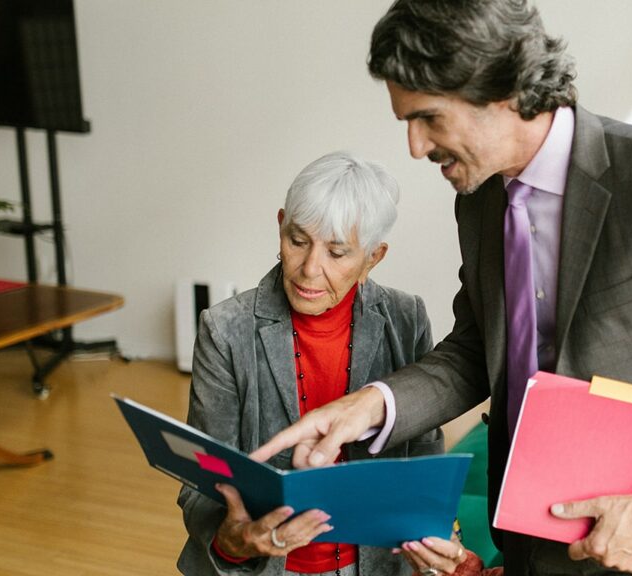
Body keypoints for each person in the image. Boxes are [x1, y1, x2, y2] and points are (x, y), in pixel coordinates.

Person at [253, 2, 632, 575]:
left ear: (499, 88)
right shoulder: (478, 202)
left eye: (427, 118)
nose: (415, 147)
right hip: (529, 546)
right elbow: (477, 349)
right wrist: (368, 406)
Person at [177, 151, 476, 576]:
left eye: (337, 252)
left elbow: (424, 457)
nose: (309, 269)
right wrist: (233, 542)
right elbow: (200, 479)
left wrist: (440, 533)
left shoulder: (406, 318)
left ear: (373, 257)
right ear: (280, 224)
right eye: (298, 240)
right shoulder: (225, 329)